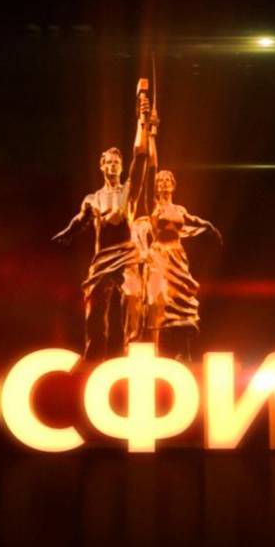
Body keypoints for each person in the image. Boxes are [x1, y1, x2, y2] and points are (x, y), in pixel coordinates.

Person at [52, 93, 155, 363]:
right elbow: (81, 219)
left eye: (116, 162)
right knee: (94, 310)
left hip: (126, 256)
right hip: (101, 260)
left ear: (121, 167)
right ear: (102, 167)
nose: (112, 166)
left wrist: (142, 122)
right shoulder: (93, 198)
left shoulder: (129, 191)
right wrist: (68, 233)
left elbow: (141, 156)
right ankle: (94, 358)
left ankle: (132, 355)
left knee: (132, 296)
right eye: (108, 162)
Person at [141, 170, 221, 362]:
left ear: (173, 185)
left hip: (177, 257)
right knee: (159, 300)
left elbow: (194, 220)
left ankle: (183, 350)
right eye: (160, 181)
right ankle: (157, 350)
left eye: (167, 180)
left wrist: (210, 228)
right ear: (156, 187)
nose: (164, 183)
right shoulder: (152, 207)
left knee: (181, 300)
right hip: (159, 257)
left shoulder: (179, 210)